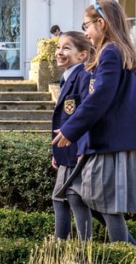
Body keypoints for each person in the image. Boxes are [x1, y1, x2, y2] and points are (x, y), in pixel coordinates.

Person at [53, 0, 136, 244]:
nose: (85, 32)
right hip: (108, 141)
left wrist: (71, 130)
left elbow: (100, 97)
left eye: (86, 26)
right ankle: (132, 252)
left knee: (105, 205)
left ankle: (129, 254)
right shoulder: (114, 52)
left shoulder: (111, 53)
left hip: (110, 142)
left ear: (101, 24)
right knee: (87, 197)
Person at [51, 31, 95, 241]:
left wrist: (82, 149)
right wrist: (56, 152)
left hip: (77, 150)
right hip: (66, 150)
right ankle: (68, 246)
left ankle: (78, 247)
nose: (59, 52)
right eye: (58, 47)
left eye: (66, 48)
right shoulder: (67, 78)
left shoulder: (84, 77)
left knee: (69, 198)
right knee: (64, 198)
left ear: (82, 55)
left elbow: (88, 115)